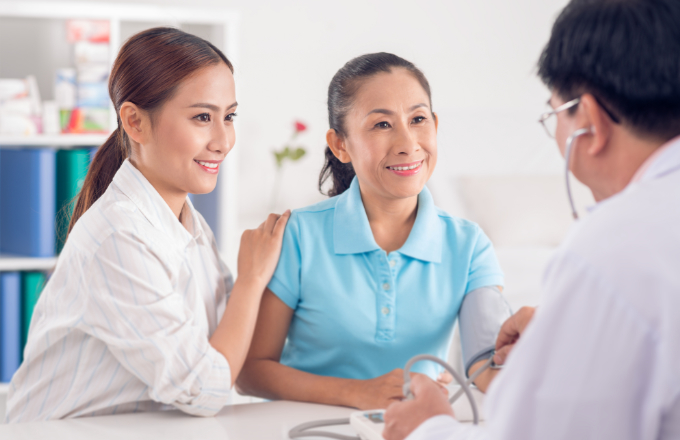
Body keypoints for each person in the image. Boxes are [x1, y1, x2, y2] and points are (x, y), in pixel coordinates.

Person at [383, 0, 680, 438]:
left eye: (553, 113)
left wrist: (428, 429)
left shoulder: (607, 251)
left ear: (590, 124)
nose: (407, 145)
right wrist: (573, 332)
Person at [4, 28, 289, 422]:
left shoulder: (189, 224)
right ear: (135, 123)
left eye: (230, 116)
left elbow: (231, 346)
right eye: (203, 117)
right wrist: (252, 279)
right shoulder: (118, 236)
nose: (224, 140)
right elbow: (204, 390)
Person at [236, 53, 512, 410]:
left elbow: (484, 366)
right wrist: (356, 393)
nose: (407, 143)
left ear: (435, 125)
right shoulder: (297, 237)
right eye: (382, 125)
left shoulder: (469, 245)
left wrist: (525, 357)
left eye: (418, 119)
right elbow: (251, 372)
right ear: (340, 145)